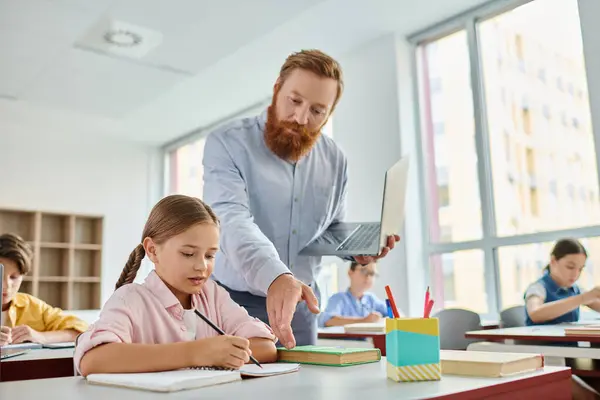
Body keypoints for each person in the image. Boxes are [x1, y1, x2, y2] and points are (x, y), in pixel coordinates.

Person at [202, 49, 400, 348]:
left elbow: (330, 227)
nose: (300, 118)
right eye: (294, 101)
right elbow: (230, 222)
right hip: (233, 303)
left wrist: (357, 247)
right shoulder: (228, 142)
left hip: (303, 308)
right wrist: (276, 276)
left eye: (317, 111)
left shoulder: (335, 160)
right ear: (276, 90)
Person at [74, 195, 277, 377]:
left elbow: (266, 347)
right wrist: (197, 353)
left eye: (210, 255)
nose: (201, 266)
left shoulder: (213, 295)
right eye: (188, 254)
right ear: (152, 250)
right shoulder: (130, 298)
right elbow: (93, 360)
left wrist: (221, 353)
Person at [524, 238, 600, 400]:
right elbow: (535, 313)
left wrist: (587, 296)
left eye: (580, 269)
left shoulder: (575, 289)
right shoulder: (538, 288)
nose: (575, 274)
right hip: (545, 362)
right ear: (553, 261)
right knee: (590, 397)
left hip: (572, 358)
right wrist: (584, 297)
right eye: (570, 267)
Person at [0, 233, 88, 346]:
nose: (6, 285)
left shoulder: (33, 306)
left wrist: (41, 336)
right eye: (0, 276)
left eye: (14, 277)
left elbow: (82, 329)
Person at [319, 261, 394, 327]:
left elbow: (393, 313)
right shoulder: (338, 298)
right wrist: (364, 321)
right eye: (363, 271)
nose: (368, 277)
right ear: (350, 272)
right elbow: (328, 321)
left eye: (372, 273)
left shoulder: (371, 299)